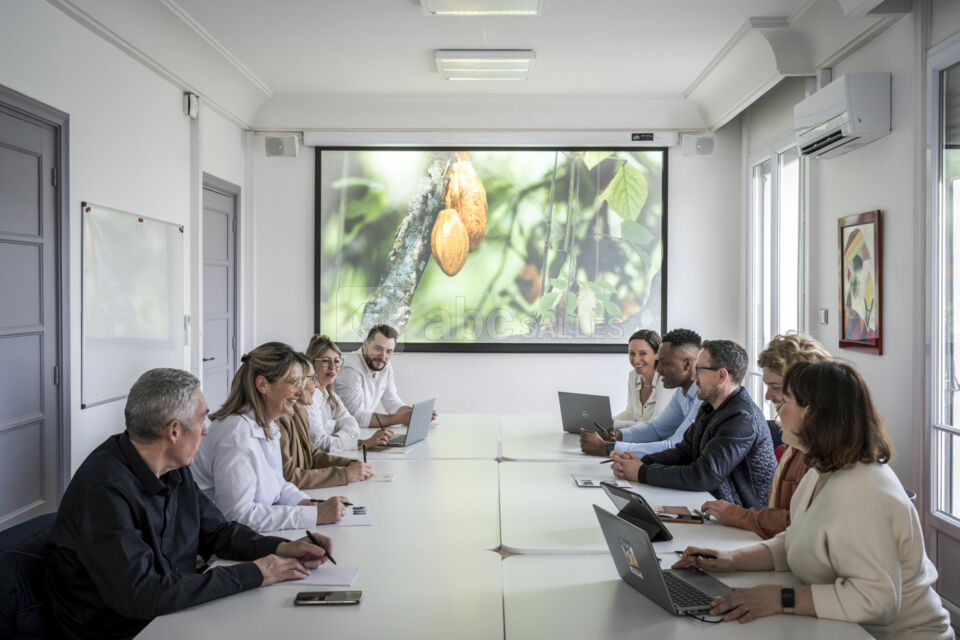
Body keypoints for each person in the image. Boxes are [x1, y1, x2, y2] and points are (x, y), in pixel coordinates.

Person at [46, 368, 333, 640]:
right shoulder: (103, 490)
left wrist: (281, 547)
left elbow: (217, 532)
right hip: (128, 630)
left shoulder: (174, 465)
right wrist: (255, 572)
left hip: (173, 613)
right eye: (202, 419)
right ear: (173, 431)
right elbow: (143, 594)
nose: (206, 429)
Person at [674, 361, 953, 639]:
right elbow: (795, 539)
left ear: (814, 414)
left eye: (788, 400)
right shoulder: (822, 470)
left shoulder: (865, 491)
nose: (779, 407)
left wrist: (779, 598)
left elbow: (877, 601)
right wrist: (731, 559)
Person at [192, 342, 350, 531]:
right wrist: (313, 516)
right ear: (263, 385)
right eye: (294, 383)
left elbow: (279, 485)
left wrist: (308, 504)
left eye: (301, 383)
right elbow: (237, 515)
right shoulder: (236, 432)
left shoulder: (268, 425)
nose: (300, 392)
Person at [611, 339, 776, 509]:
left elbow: (704, 475)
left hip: (742, 519)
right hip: (710, 505)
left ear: (721, 376)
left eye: (699, 370)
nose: (694, 376)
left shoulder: (741, 417)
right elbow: (684, 451)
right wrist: (641, 461)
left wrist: (641, 472)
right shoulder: (709, 407)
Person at [700, 333, 831, 538]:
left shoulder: (825, 450)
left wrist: (735, 514)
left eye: (776, 387)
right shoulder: (796, 439)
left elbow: (796, 526)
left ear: (806, 389)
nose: (767, 396)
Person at [580, 328, 701, 457]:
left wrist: (608, 448)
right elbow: (656, 428)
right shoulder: (682, 392)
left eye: (664, 363)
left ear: (687, 364)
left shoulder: (703, 397)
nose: (658, 369)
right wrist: (618, 435)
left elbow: (674, 446)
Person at [277, 353, 375, 489]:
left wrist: (348, 464)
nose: (317, 385)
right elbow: (289, 477)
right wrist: (344, 474)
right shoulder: (279, 422)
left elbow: (312, 454)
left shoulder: (300, 412)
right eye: (311, 379)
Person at [303, 333, 393, 452]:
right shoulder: (308, 399)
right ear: (312, 364)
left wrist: (335, 438)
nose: (332, 367)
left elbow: (353, 425)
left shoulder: (330, 395)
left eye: (336, 361)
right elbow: (321, 444)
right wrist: (362, 443)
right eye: (325, 361)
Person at [611, 329, 677, 427]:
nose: (636, 360)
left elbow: (655, 424)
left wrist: (613, 424)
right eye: (632, 353)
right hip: (637, 437)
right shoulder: (633, 375)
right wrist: (608, 421)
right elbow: (631, 412)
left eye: (643, 353)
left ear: (657, 354)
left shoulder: (665, 380)